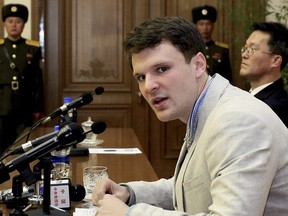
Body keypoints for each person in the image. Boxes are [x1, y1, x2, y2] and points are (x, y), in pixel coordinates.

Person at [91, 16, 288, 216]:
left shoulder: (237, 121)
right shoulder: (206, 108)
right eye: (141, 77)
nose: (148, 86)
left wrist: (130, 214)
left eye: (162, 69)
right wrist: (129, 194)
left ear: (199, 65)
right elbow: (191, 187)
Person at [0, 4, 44, 155]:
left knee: (23, 145)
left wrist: (38, 106)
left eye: (18, 21)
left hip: (25, 105)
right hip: (2, 105)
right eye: (10, 21)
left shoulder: (33, 48)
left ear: (24, 24)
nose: (13, 25)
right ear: (4, 23)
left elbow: (38, 79)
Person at [240, 22, 288, 127]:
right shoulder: (246, 97)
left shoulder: (277, 108)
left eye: (252, 49)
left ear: (275, 60)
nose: (244, 55)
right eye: (245, 48)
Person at [192, 5, 232, 82]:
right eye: (201, 24)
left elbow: (228, 77)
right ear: (196, 26)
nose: (205, 27)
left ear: (213, 26)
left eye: (208, 24)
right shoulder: (191, 48)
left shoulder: (222, 49)